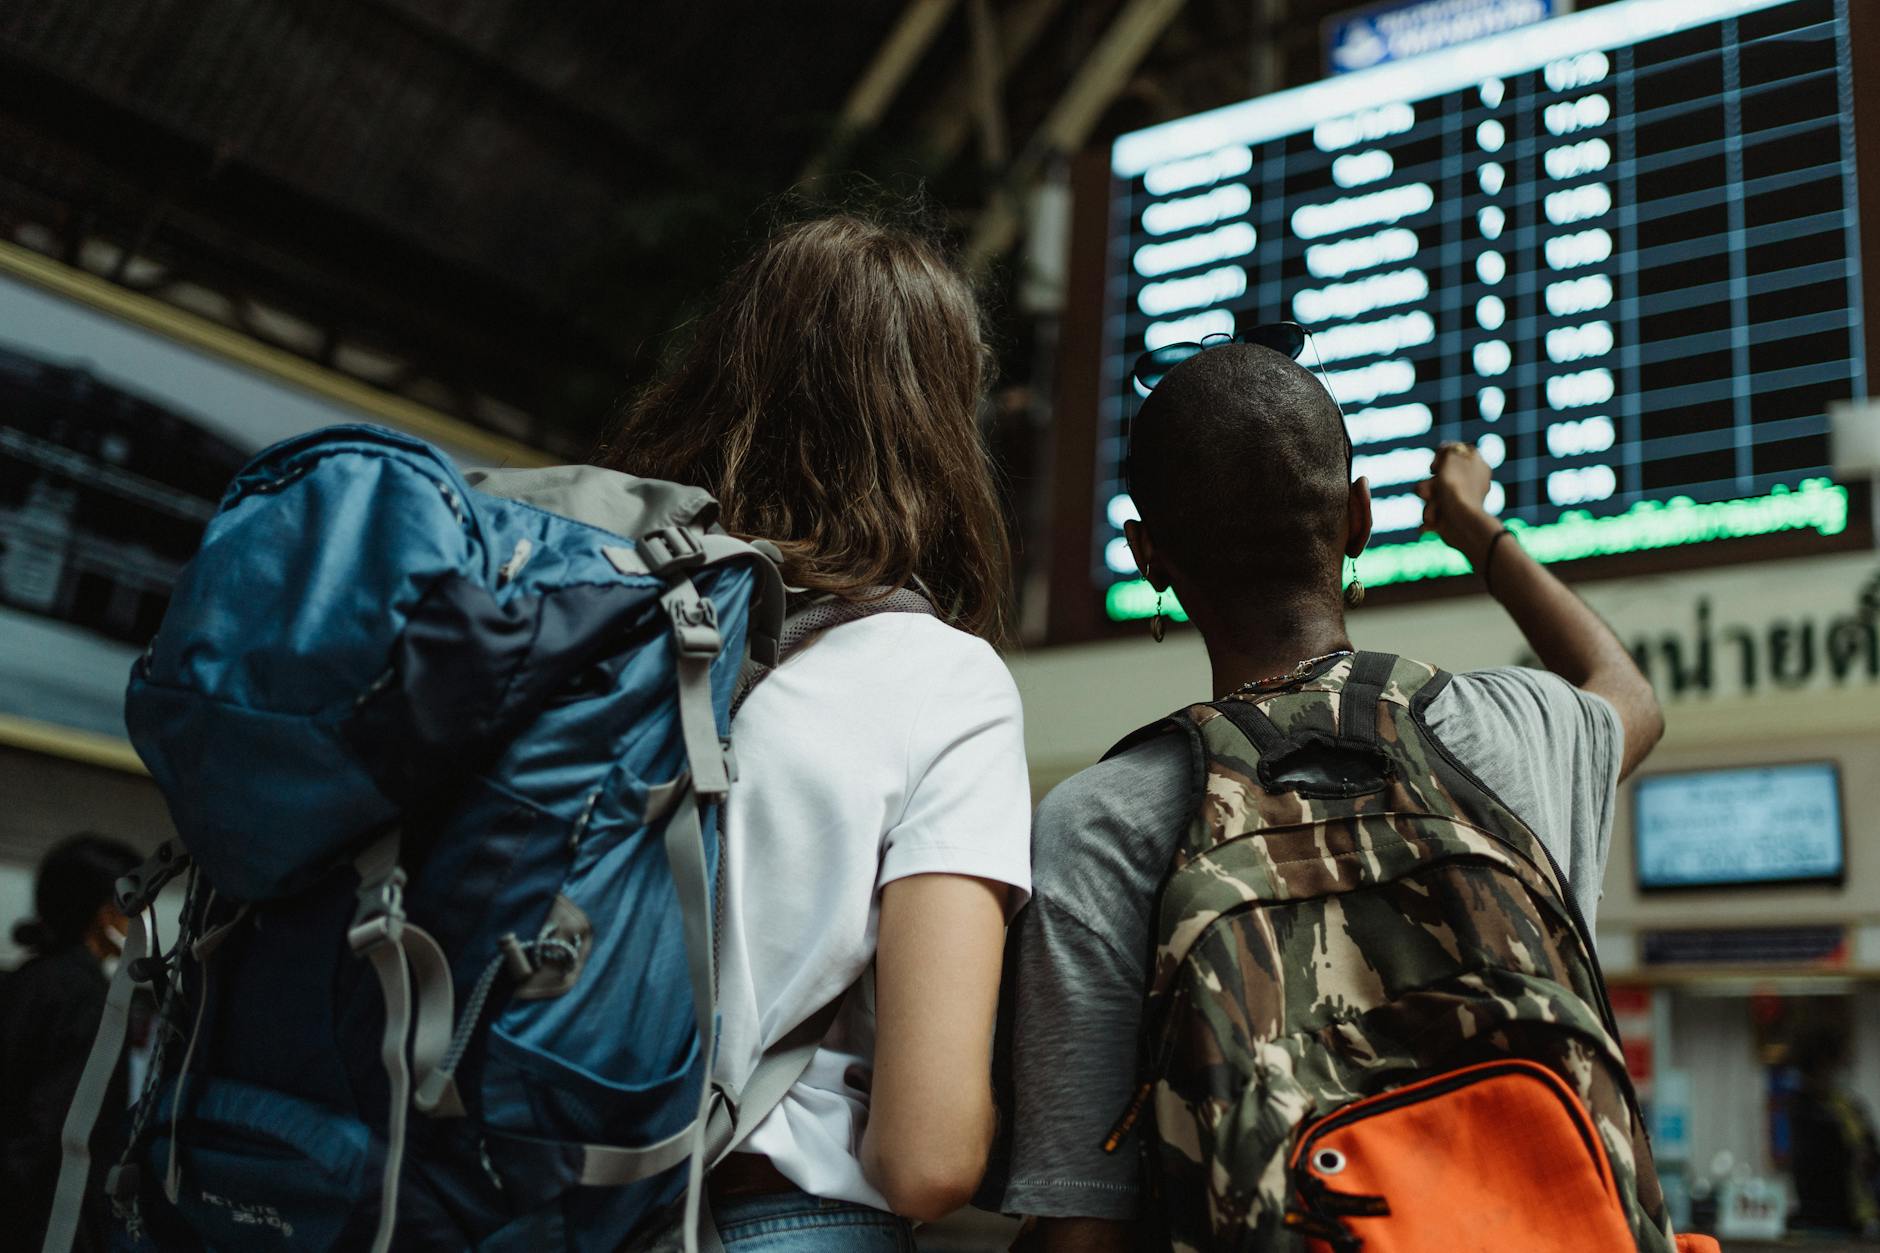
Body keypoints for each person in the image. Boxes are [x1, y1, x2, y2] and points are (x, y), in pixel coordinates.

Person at [979, 340, 1664, 1249]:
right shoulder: (1511, 731)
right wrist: (1475, 530)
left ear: (1147, 555)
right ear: (1359, 516)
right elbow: (1630, 693)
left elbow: (1081, 1222)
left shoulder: (1096, 826)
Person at [600, 213, 1032, 1250]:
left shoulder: (585, 616)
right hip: (767, 1211)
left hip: (495, 1197)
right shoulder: (943, 682)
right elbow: (923, 1158)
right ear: (937, 428)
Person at [0, 833, 142, 1253]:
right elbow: (57, 1135)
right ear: (107, 914)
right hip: (47, 1225)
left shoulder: (28, 978)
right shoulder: (87, 998)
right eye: (138, 903)